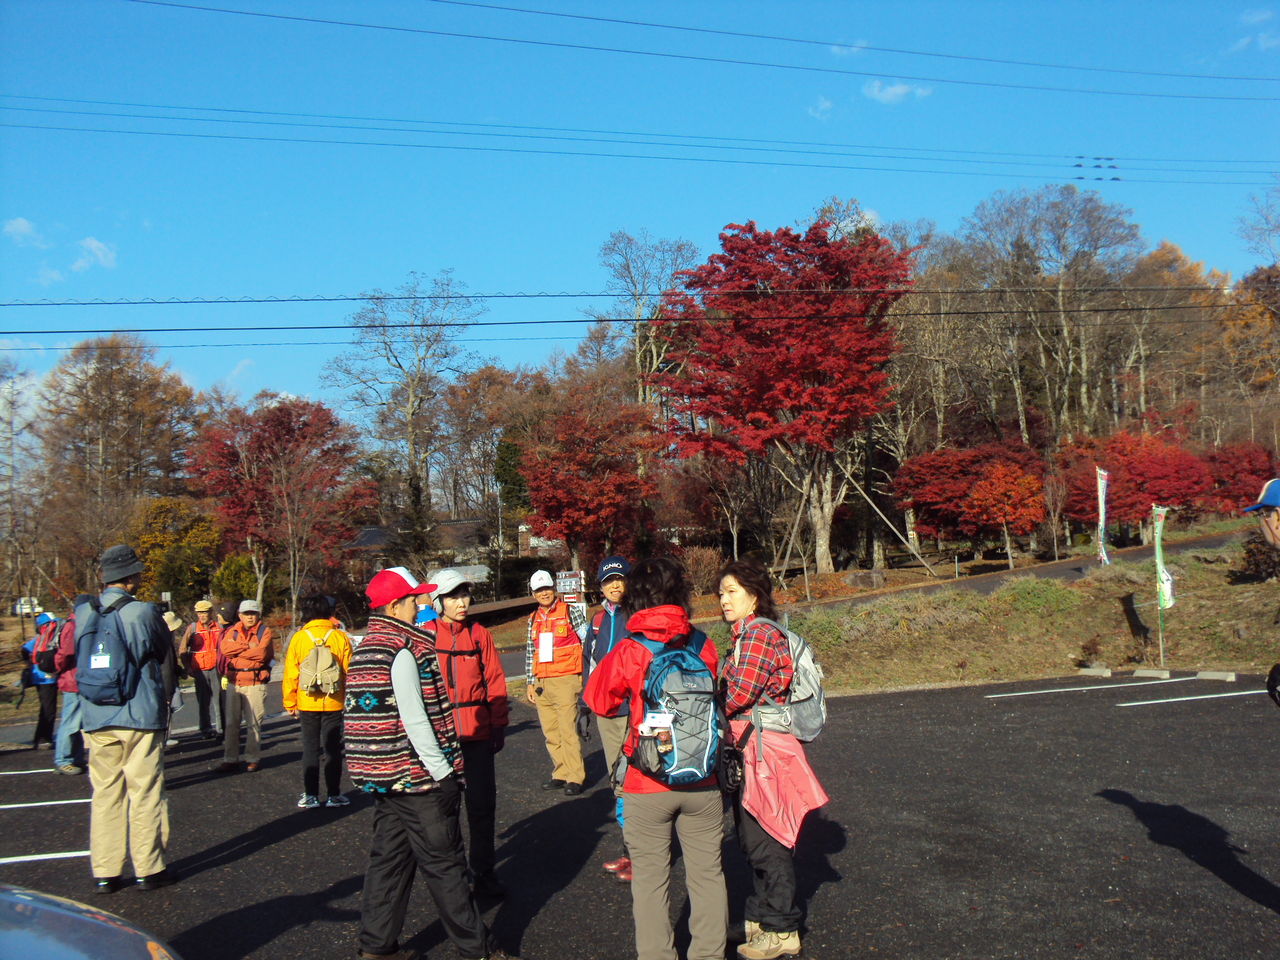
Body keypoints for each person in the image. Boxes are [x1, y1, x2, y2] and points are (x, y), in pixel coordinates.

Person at [344, 566, 519, 960]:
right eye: (412, 600)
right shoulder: (402, 650)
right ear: (394, 605)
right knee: (446, 864)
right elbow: (415, 719)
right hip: (416, 777)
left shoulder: (368, 647)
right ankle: (477, 948)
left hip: (382, 776)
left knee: (388, 860)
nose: (418, 606)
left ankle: (376, 945)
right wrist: (443, 773)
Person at [584, 556, 727, 960]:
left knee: (649, 881)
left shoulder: (631, 649)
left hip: (646, 781)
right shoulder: (701, 643)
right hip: (703, 777)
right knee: (708, 876)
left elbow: (599, 700)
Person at [719, 560, 829, 960]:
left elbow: (737, 695)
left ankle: (782, 929)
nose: (723, 599)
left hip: (763, 751)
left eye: (731, 591)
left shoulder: (759, 634)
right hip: (754, 746)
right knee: (753, 839)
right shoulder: (745, 634)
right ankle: (762, 919)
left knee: (768, 839)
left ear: (753, 596)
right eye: (721, 592)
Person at [76, 544, 177, 894]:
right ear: (131, 576)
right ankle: (149, 868)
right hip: (138, 713)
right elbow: (165, 654)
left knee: (105, 793)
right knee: (145, 790)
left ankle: (106, 871)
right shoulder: (142, 612)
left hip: (96, 714)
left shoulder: (83, 613)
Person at [427, 569, 509, 899]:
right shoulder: (426, 634)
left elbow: (496, 681)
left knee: (482, 808)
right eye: (453, 596)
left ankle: (484, 872)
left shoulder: (479, 634)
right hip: (441, 740)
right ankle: (452, 880)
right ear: (438, 602)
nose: (462, 602)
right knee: (442, 813)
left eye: (464, 595)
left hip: (476, 735)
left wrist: (498, 724)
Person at [582, 555, 633, 878]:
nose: (615, 585)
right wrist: (585, 705)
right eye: (608, 580)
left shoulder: (639, 615)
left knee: (639, 778)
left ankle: (645, 851)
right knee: (618, 780)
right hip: (607, 711)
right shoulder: (597, 621)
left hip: (637, 710)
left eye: (620, 578)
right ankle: (631, 849)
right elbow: (590, 664)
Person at [282, 593, 353, 809]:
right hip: (334, 700)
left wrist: (290, 702)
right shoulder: (340, 637)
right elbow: (349, 671)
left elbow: (291, 673)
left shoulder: (300, 638)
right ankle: (334, 794)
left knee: (310, 748)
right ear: (328, 612)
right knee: (332, 749)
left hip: (307, 699)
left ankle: (310, 795)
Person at [524, 569, 588, 796]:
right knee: (551, 731)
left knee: (568, 729)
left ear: (554, 589)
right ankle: (560, 773)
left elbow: (587, 640)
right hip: (542, 682)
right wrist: (530, 682)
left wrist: (588, 675)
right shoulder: (533, 619)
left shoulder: (570, 612)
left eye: (547, 588)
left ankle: (575, 776)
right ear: (533, 593)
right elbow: (531, 652)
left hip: (566, 678)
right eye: (539, 590)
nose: (544, 593)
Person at [217, 599, 274, 773]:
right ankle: (230, 758)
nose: (250, 617)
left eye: (253, 613)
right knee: (231, 723)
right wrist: (248, 646)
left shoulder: (265, 631)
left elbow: (262, 654)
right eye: (246, 614)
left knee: (254, 723)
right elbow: (225, 649)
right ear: (240, 615)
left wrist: (239, 651)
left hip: (256, 682)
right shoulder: (232, 631)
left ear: (258, 614)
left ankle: (252, 757)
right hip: (235, 681)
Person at [53, 597, 91, 774]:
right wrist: (59, 668)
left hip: (77, 678)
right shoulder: (74, 625)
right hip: (73, 680)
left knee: (78, 721)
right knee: (71, 722)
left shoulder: (76, 623)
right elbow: (66, 653)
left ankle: (75, 757)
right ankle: (64, 759)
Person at [177, 599, 223, 739]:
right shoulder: (192, 628)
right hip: (200, 670)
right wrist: (188, 667)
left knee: (219, 701)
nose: (202, 615)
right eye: (199, 613)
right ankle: (206, 729)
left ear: (211, 612)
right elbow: (183, 648)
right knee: (203, 702)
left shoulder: (219, 627)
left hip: (216, 669)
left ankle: (221, 729)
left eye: (204, 612)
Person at [23, 611, 60, 750]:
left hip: (45, 678)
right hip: (46, 679)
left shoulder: (41, 638)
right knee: (48, 709)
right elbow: (25, 649)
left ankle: (41, 737)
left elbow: (25, 649)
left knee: (46, 708)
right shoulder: (46, 638)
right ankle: (44, 738)